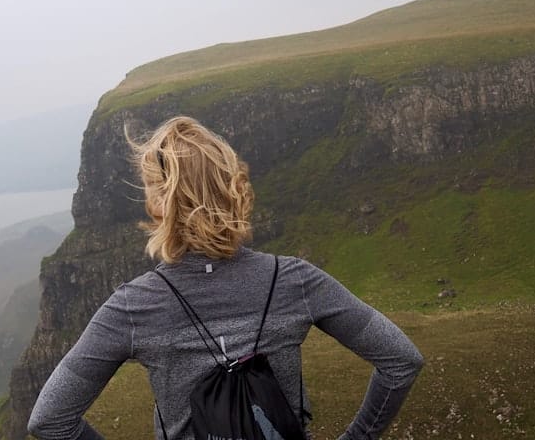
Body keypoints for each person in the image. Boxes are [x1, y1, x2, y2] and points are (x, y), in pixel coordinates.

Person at [28, 116, 423, 440]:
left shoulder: (132, 307)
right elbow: (401, 360)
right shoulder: (295, 280)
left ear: (162, 202)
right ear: (231, 188)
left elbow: (49, 420)